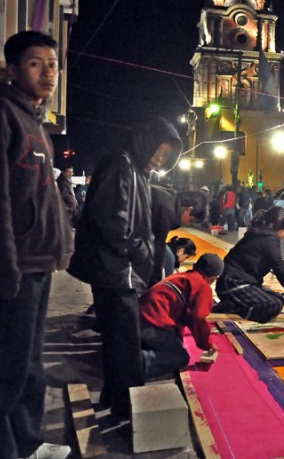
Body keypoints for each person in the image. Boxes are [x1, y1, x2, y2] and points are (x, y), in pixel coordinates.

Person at [0, 31, 74, 459]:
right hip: (13, 269)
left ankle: (26, 442)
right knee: (1, 372)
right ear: (12, 70)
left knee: (27, 366)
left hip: (37, 266)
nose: (47, 73)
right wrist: (2, 271)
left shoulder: (32, 119)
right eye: (35, 64)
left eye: (53, 64)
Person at [67, 117, 182, 417]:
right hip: (116, 270)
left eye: (167, 157)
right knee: (126, 345)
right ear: (148, 141)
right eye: (160, 152)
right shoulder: (121, 164)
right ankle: (129, 411)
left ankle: (114, 398)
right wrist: (139, 250)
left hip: (121, 269)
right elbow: (111, 220)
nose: (160, 160)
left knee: (119, 342)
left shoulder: (138, 171)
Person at [213, 206, 284, 323]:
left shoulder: (260, 233)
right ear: (274, 226)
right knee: (273, 304)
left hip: (235, 282)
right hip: (232, 284)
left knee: (278, 299)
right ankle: (231, 307)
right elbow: (279, 267)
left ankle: (233, 304)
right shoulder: (269, 239)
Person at [140, 253, 224, 379]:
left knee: (171, 342)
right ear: (213, 277)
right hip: (153, 324)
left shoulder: (181, 276)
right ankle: (139, 363)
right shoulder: (202, 286)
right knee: (180, 356)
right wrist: (207, 344)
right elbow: (197, 318)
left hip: (137, 319)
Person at [150, 186, 208, 285]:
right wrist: (156, 282)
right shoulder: (166, 209)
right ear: (189, 210)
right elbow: (158, 244)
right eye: (191, 220)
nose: (188, 224)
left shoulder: (169, 197)